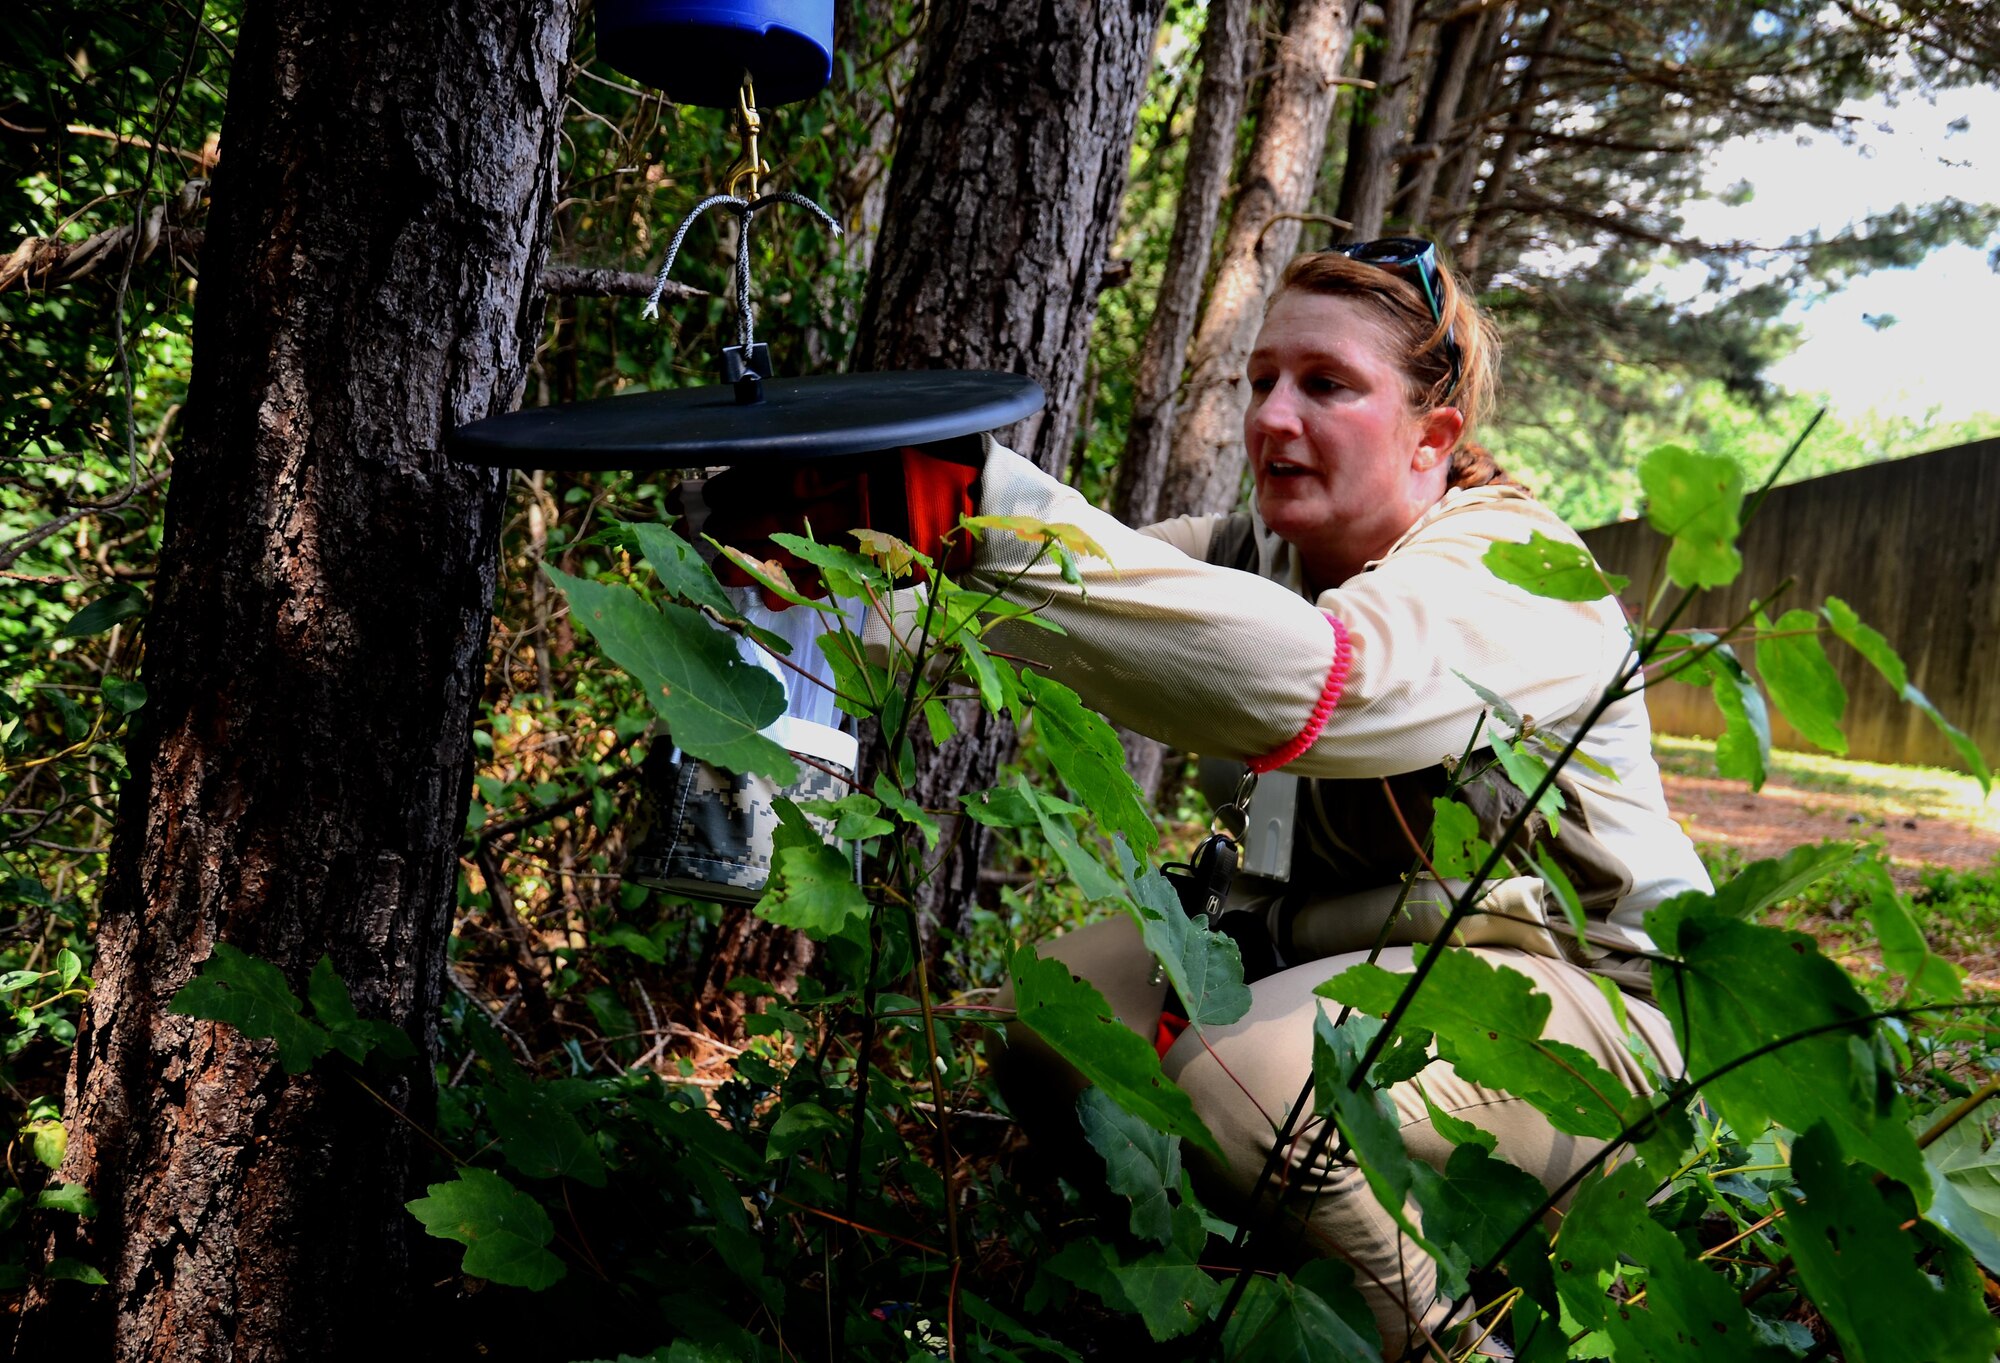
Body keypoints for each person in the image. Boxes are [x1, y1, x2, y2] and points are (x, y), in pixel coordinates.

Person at [706, 238, 1709, 1357]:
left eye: (1326, 385)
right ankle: (1209, 1285)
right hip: (1356, 964)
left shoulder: (1518, 569)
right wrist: (798, 583)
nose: (1274, 418)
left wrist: (970, 494)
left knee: (1249, 1086)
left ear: (1434, 437)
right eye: (1262, 381)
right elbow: (1037, 599)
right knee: (1049, 1019)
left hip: (1602, 1023)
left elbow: (1317, 680)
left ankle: (1441, 1342)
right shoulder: (1258, 556)